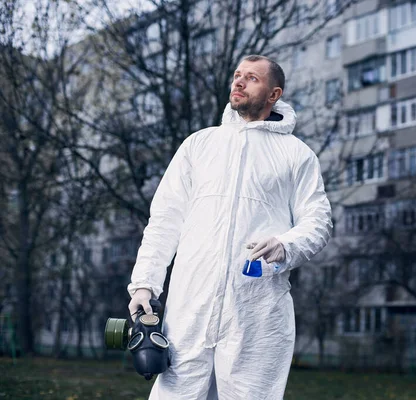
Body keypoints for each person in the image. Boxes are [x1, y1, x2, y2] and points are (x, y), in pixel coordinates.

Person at [127, 54, 333, 399]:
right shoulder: (199, 145)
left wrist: (286, 244)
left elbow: (319, 221)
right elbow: (164, 221)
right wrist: (144, 286)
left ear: (274, 94)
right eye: (237, 75)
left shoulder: (296, 155)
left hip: (255, 310)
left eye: (252, 78)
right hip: (189, 307)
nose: (238, 82)